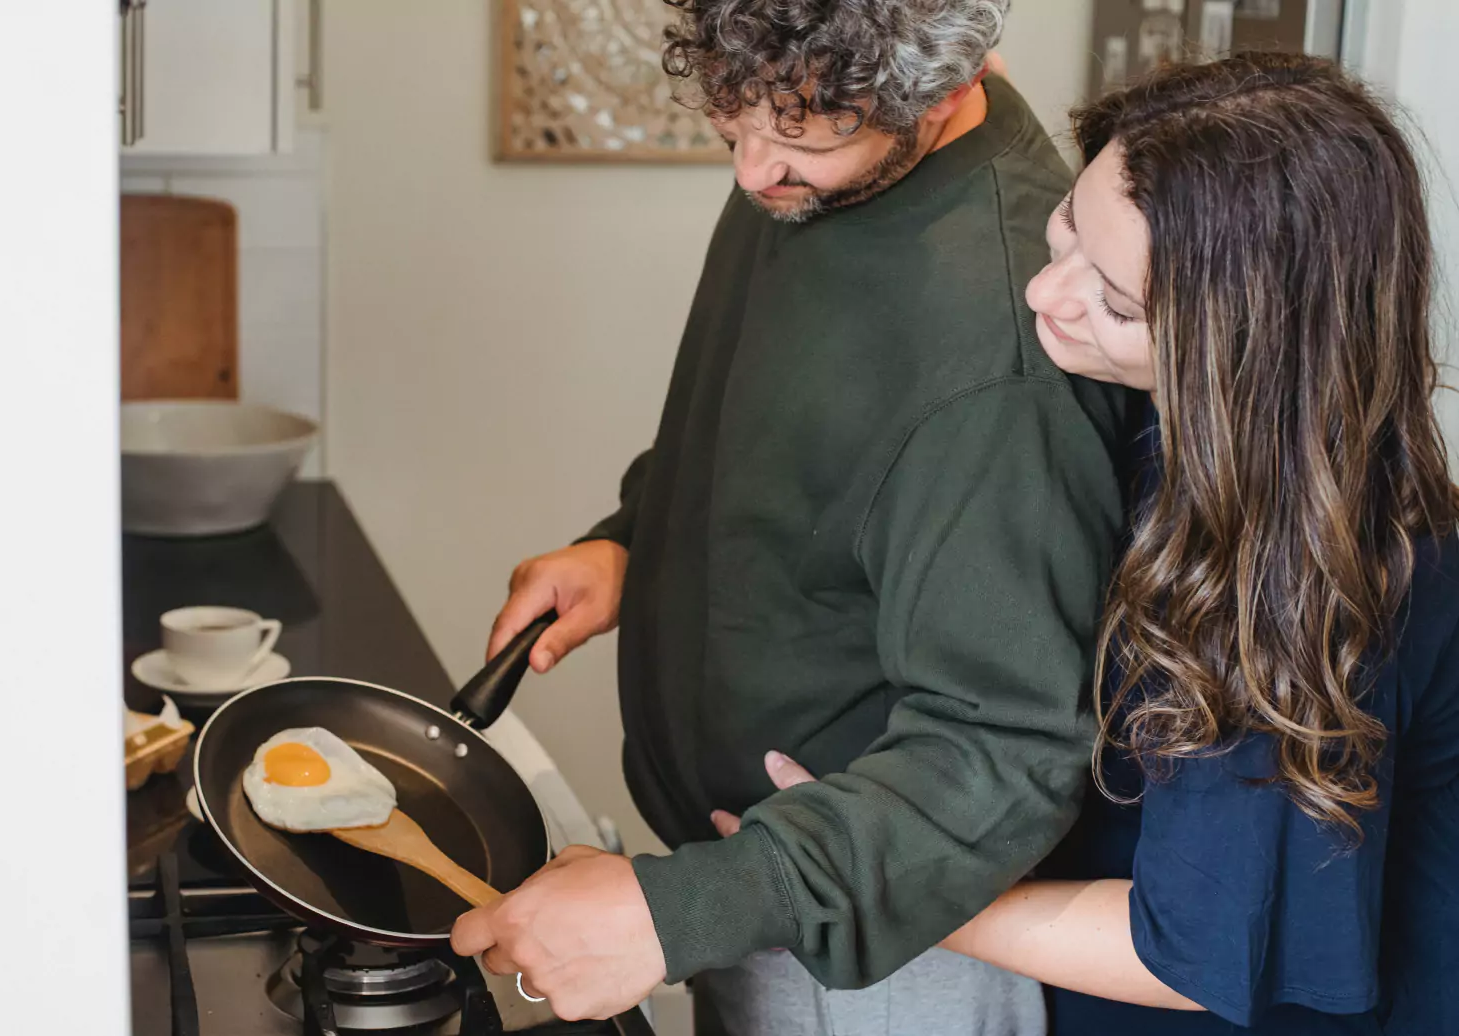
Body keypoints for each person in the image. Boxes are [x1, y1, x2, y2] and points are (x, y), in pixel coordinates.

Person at [719, 52, 1459, 1034]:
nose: (1045, 296)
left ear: (1247, 348)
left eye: (1113, 302)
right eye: (1064, 225)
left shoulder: (1307, 576)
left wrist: (871, 877)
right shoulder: (1151, 420)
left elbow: (1186, 949)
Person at [450, 0, 1136, 1030]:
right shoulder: (814, 150)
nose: (752, 171)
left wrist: (690, 905)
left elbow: (1002, 751)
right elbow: (786, 438)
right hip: (759, 887)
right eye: (733, 127)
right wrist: (632, 540)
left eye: (798, 141)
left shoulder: (1002, 347)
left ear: (944, 89)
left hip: (877, 947)